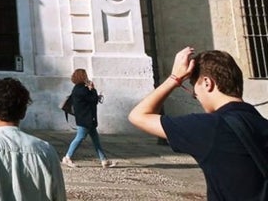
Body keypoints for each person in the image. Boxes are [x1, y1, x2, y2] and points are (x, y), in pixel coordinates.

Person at [129, 46, 268, 200]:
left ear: (207, 83)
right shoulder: (262, 124)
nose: (196, 97)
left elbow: (138, 116)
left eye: (195, 92)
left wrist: (175, 78)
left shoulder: (208, 127)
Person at [61, 68, 114, 168]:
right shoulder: (82, 90)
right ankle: (67, 157)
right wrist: (93, 89)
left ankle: (104, 160)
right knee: (79, 138)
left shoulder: (77, 89)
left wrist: (90, 90)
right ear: (82, 77)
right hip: (86, 119)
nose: (87, 77)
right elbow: (93, 100)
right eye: (85, 75)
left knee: (95, 140)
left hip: (85, 118)